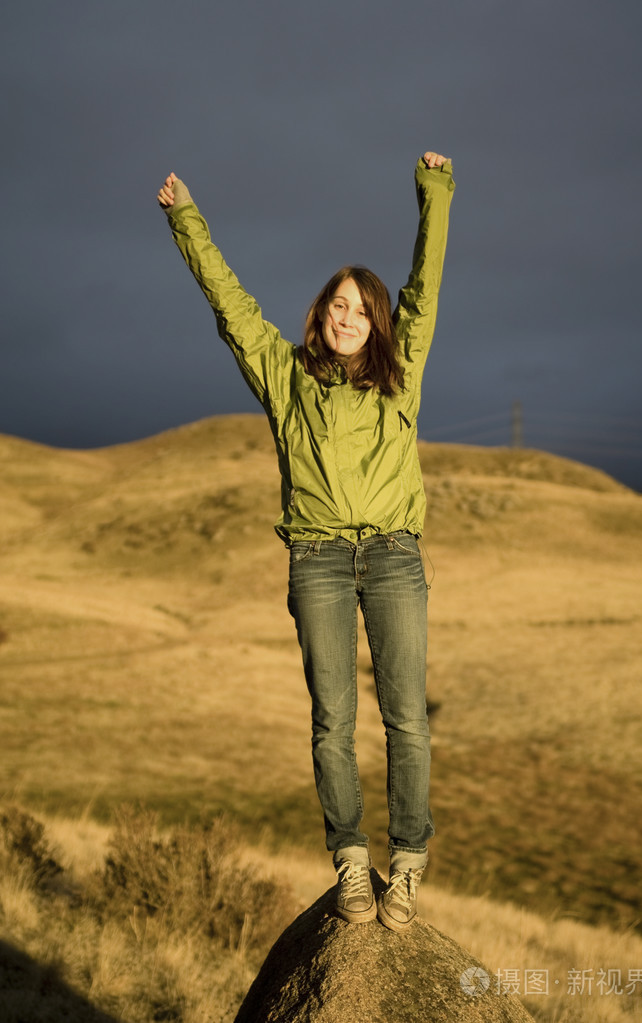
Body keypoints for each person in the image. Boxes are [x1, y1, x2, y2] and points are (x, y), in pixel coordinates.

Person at [157, 151, 455, 932]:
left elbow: (426, 286)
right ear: (320, 312)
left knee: (406, 719)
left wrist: (434, 191)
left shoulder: (401, 374)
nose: (346, 315)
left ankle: (410, 864)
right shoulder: (284, 375)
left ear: (376, 320)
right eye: (336, 303)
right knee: (332, 719)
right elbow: (230, 304)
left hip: (392, 556)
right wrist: (186, 219)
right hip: (317, 559)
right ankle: (352, 861)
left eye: (360, 307)